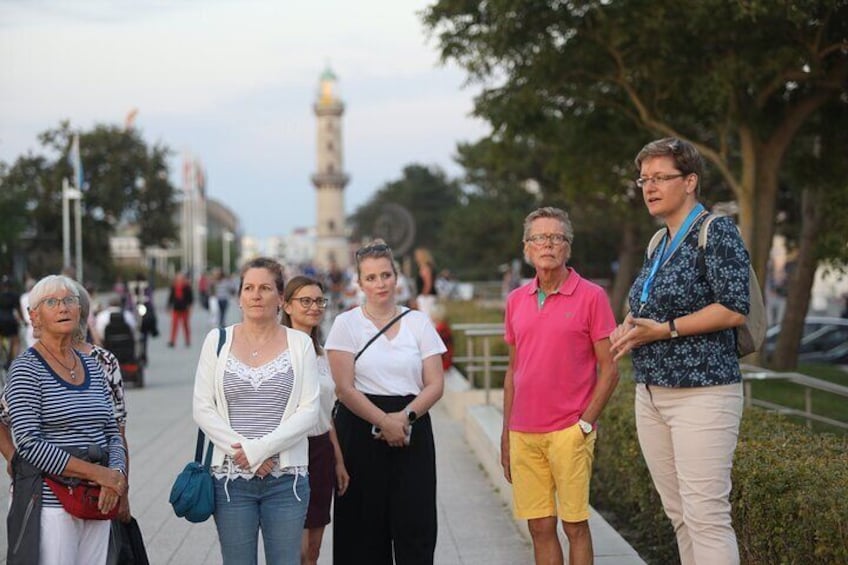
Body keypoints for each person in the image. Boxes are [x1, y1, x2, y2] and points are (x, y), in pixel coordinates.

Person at [609, 137, 750, 565]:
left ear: (690, 181)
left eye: (660, 178)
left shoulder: (717, 230)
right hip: (652, 393)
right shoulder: (658, 242)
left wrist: (665, 331)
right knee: (680, 516)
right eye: (643, 179)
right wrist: (630, 328)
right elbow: (650, 305)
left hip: (703, 393)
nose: (648, 187)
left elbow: (733, 309)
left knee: (706, 516)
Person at [500, 207, 619, 565]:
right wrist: (506, 434)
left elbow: (610, 368)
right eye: (539, 237)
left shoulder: (592, 296)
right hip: (524, 433)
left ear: (568, 247)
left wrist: (584, 424)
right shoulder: (515, 301)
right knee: (539, 527)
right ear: (527, 247)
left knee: (575, 526)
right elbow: (513, 370)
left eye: (556, 237)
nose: (547, 244)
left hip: (570, 431)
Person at [325, 240, 446, 565]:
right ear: (360, 282)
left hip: (412, 428)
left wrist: (403, 419)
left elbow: (435, 383)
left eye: (386, 275)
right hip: (360, 430)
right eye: (372, 277)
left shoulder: (418, 322)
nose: (380, 284)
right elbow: (344, 389)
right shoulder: (345, 325)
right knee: (362, 531)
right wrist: (384, 420)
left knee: (415, 526)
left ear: (397, 277)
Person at [193, 257, 319, 565]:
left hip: (286, 481)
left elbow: (309, 411)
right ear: (238, 297)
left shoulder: (299, 343)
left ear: (280, 297)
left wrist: (260, 451)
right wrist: (245, 454)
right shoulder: (217, 341)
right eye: (248, 288)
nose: (256, 295)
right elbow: (202, 407)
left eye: (265, 288)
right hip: (231, 482)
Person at [2, 274, 127, 564]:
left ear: (80, 309)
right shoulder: (25, 370)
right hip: (53, 502)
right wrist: (99, 474)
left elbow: (113, 431)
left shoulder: (94, 368)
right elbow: (30, 444)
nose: (63, 308)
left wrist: (115, 477)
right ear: (34, 317)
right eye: (52, 302)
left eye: (69, 300)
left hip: (98, 498)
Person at [280, 275, 350, 565]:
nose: (313, 307)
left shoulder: (322, 354)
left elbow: (327, 413)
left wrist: (339, 460)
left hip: (321, 450)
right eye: (305, 301)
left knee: (313, 550)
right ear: (286, 306)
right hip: (290, 451)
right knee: (294, 549)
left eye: (319, 300)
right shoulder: (279, 351)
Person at [0, 275, 24, 364]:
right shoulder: (15, 295)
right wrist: (23, 320)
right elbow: (19, 309)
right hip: (11, 320)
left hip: (0, 320)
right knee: (16, 340)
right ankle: (14, 361)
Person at [167, 272, 193, 347]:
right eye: (178, 279)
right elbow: (170, 298)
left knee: (185, 325)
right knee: (174, 325)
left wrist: (190, 308)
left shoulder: (187, 287)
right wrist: (168, 307)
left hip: (184, 309)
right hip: (176, 308)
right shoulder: (174, 287)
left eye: (180, 279)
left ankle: (187, 340)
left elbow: (190, 299)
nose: (179, 280)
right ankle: (172, 341)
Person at [413, 247, 438, 319]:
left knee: (426, 317)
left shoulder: (426, 267)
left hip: (426, 297)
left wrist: (423, 295)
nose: (416, 258)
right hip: (426, 296)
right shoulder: (425, 267)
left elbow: (428, 283)